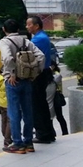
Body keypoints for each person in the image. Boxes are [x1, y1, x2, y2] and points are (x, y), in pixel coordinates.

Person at [0, 19, 44, 154]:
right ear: (18, 29)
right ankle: (28, 142)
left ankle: (17, 143)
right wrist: (35, 73)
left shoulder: (4, 41)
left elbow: (7, 58)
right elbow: (41, 56)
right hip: (27, 80)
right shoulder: (26, 41)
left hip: (13, 82)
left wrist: (12, 73)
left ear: (3, 29)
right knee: (27, 112)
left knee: (14, 113)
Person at [26, 15, 57, 144]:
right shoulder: (42, 37)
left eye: (29, 24)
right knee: (42, 104)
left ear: (36, 26)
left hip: (38, 74)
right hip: (44, 72)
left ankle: (42, 134)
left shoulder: (37, 40)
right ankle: (49, 132)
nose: (27, 27)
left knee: (36, 105)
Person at [0, 66, 12, 148]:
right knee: (10, 121)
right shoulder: (5, 81)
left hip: (1, 103)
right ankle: (7, 139)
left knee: (3, 120)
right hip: (8, 103)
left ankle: (5, 135)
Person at [51, 62, 69, 136]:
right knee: (51, 117)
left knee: (59, 116)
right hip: (51, 98)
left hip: (56, 97)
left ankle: (65, 132)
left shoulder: (57, 74)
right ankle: (52, 133)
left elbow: (53, 82)